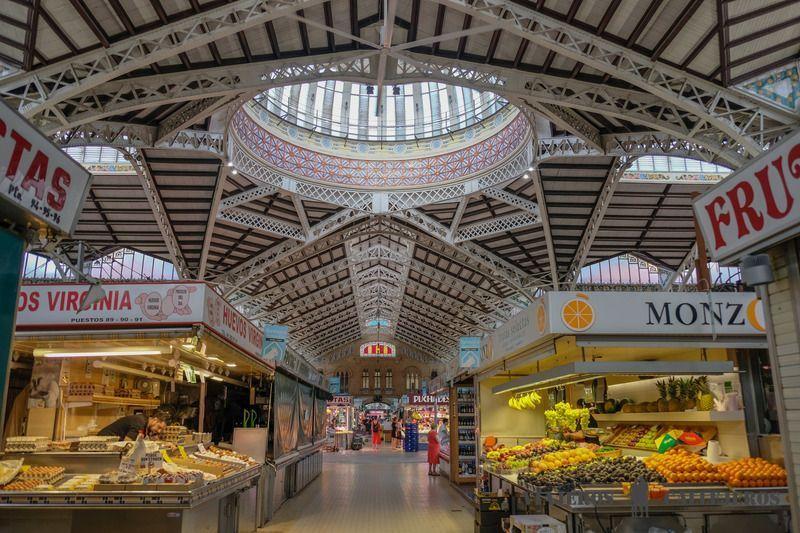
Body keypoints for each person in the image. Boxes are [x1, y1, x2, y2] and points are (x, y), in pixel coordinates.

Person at [98, 411, 168, 441]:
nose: (159, 431)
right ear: (155, 420)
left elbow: (154, 441)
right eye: (159, 427)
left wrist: (166, 445)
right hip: (105, 440)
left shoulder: (147, 424)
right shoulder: (140, 422)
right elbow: (128, 442)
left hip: (115, 442)